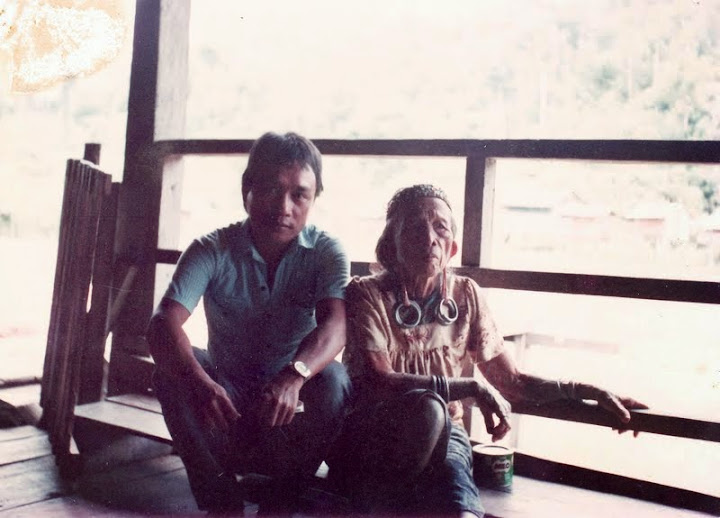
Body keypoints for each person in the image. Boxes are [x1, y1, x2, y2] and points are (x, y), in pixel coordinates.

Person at [330, 184, 648, 518]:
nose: (430, 238)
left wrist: (588, 392)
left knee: (460, 504)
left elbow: (513, 382)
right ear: (390, 245)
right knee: (429, 412)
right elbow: (380, 379)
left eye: (440, 228)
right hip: (374, 438)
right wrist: (469, 386)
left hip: (445, 435)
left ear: (452, 247)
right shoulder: (366, 294)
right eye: (415, 228)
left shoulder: (465, 295)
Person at [146, 131, 351, 514]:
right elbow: (162, 324)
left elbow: (336, 326)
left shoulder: (326, 252)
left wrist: (294, 375)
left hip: (290, 410)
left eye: (299, 195)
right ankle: (221, 503)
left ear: (314, 199)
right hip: (224, 406)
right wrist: (200, 383)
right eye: (271, 190)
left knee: (335, 378)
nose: (284, 207)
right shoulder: (211, 248)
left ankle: (281, 502)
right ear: (247, 190)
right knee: (170, 372)